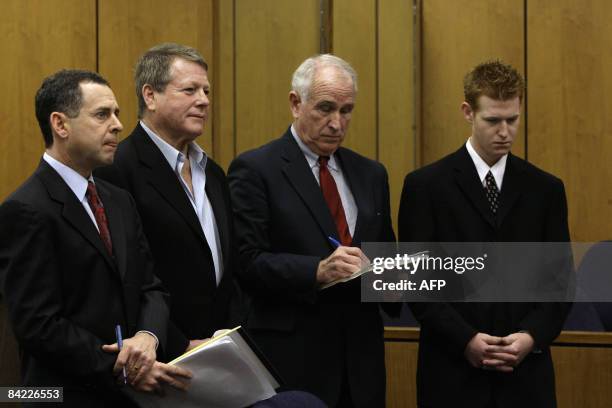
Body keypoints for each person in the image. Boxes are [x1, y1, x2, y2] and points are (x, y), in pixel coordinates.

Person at [0, 70, 191, 407]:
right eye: (103, 114)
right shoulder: (25, 209)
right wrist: (123, 369)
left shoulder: (118, 200)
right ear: (60, 125)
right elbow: (38, 325)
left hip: (134, 396)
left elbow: (150, 287)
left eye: (117, 113)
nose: (117, 125)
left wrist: (148, 338)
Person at [228, 54, 398, 407]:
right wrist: (317, 271)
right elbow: (247, 262)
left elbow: (387, 254)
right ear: (295, 103)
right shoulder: (256, 169)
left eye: (347, 110)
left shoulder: (371, 174)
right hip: (296, 360)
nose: (337, 123)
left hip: (362, 363)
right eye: (325, 108)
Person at [398, 60, 571, 407]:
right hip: (451, 372)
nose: (505, 132)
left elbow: (560, 283)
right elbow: (418, 284)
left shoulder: (546, 189)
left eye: (513, 119)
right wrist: (466, 339)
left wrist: (530, 336)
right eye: (493, 120)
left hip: (525, 376)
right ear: (468, 112)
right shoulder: (425, 187)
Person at [95, 43, 242, 359]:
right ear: (150, 96)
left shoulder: (213, 173)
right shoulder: (117, 170)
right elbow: (126, 280)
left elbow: (229, 270)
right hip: (157, 357)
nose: (203, 101)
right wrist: (177, 344)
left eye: (206, 90)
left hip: (220, 351)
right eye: (189, 90)